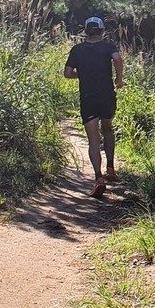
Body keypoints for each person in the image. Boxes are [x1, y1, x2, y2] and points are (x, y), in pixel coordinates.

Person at [64, 16, 126, 199]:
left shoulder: (77, 49)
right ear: (102, 31)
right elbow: (117, 58)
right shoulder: (108, 47)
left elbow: (67, 73)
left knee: (93, 140)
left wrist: (82, 74)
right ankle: (111, 168)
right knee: (108, 129)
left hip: (88, 97)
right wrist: (119, 79)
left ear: (85, 31)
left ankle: (99, 178)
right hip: (107, 95)